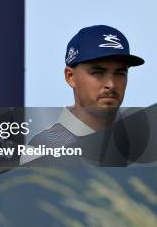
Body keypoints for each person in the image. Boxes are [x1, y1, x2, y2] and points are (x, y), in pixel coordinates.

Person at [24, 25, 144, 159]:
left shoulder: (142, 138)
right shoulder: (44, 148)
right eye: (98, 73)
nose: (111, 84)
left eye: (120, 73)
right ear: (70, 77)